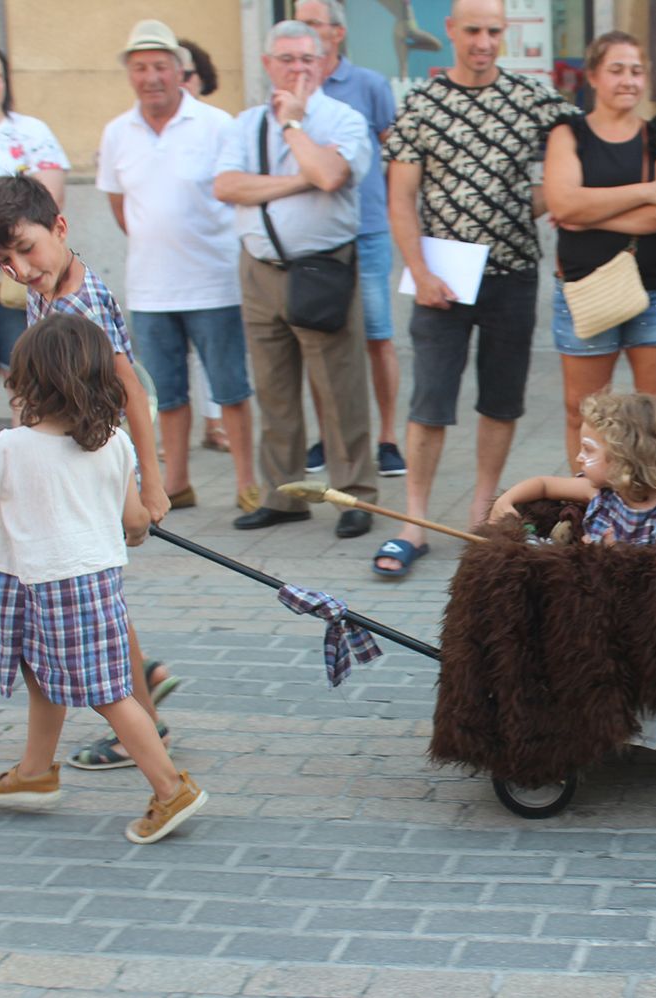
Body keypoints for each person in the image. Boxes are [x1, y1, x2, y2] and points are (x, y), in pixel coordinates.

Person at [0, 314, 208, 844]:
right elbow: (134, 522)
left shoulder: (8, 448)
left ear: (27, 382)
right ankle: (35, 773)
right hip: (90, 578)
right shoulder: (114, 444)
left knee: (106, 693)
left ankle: (170, 787)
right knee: (43, 673)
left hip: (50, 582)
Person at [0, 173, 182, 770]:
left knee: (90, 594)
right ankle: (142, 692)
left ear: (60, 228)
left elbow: (131, 395)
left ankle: (138, 722)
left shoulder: (82, 301)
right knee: (101, 599)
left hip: (91, 463)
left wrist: (151, 484)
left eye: (26, 249)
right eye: (3, 260)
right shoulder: (50, 284)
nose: (19, 267)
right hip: (68, 457)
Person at [378, 0, 579, 578]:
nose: (484, 42)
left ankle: (480, 510)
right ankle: (413, 520)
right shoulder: (423, 103)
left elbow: (582, 147)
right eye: (473, 31)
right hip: (441, 276)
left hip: (513, 274)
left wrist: (547, 199)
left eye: (494, 31)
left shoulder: (532, 98)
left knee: (501, 398)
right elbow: (400, 199)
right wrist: (418, 272)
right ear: (450, 32)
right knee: (430, 402)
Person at [214, 20, 377, 540]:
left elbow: (330, 175)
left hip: (321, 269)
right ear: (268, 64)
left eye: (308, 59)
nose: (298, 68)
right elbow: (227, 186)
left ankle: (355, 496)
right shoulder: (242, 123)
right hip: (259, 269)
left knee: (339, 389)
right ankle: (284, 497)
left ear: (325, 61)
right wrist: (297, 179)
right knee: (274, 390)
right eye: (287, 59)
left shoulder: (344, 118)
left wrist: (293, 126)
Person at [98, 20, 257, 515]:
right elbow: (120, 207)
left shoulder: (216, 124)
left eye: (161, 67)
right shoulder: (116, 132)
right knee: (165, 395)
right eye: (141, 67)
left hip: (214, 283)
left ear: (179, 70)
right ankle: (177, 483)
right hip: (150, 288)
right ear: (130, 74)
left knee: (231, 390)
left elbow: (238, 193)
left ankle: (247, 484)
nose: (151, 77)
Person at [543, 31, 656, 468]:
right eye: (616, 70)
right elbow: (563, 202)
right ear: (592, 76)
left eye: (636, 70)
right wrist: (648, 190)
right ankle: (585, 502)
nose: (628, 80)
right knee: (582, 408)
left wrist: (589, 213)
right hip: (585, 288)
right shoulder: (568, 134)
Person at [295, 0, 406, 479]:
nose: (306, 32)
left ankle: (387, 439)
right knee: (319, 338)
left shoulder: (370, 86)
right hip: (311, 238)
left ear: (337, 34)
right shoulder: (289, 88)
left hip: (367, 230)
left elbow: (394, 149)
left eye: (314, 23)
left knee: (378, 336)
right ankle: (330, 436)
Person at [0, 41, 67, 443]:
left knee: (25, 376)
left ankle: (22, 472)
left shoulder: (30, 132)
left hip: (19, 279)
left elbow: (47, 198)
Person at [490, 392, 656, 545]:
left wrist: (613, 554)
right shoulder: (603, 491)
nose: (579, 457)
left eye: (588, 450)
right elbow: (543, 485)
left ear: (623, 457)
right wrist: (506, 500)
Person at [179, 37, 231, 455]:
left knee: (218, 358)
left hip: (215, 258)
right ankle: (203, 425)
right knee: (187, 361)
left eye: (187, 74)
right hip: (171, 265)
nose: (179, 82)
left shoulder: (217, 123)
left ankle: (218, 423)